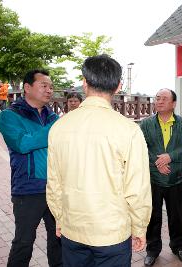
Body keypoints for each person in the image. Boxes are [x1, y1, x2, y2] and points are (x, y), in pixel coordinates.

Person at [46, 55, 152, 267]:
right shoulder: (129, 130)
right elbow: (137, 188)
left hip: (73, 228)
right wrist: (139, 227)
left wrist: (60, 218)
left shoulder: (59, 126)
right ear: (118, 86)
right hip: (112, 233)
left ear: (84, 83)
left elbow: (54, 183)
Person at [0, 70, 62, 267]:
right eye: (44, 85)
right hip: (27, 190)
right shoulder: (10, 115)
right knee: (23, 243)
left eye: (51, 86)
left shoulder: (53, 117)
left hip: (56, 189)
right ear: (27, 87)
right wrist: (57, 129)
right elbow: (23, 144)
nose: (49, 90)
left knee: (59, 241)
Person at [140, 88, 182, 266]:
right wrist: (158, 163)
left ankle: (178, 246)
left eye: (164, 98)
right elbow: (142, 148)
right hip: (153, 179)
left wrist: (170, 157)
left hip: (176, 178)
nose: (159, 101)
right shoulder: (146, 124)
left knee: (176, 215)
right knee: (153, 216)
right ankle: (152, 249)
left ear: (173, 103)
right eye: (157, 98)